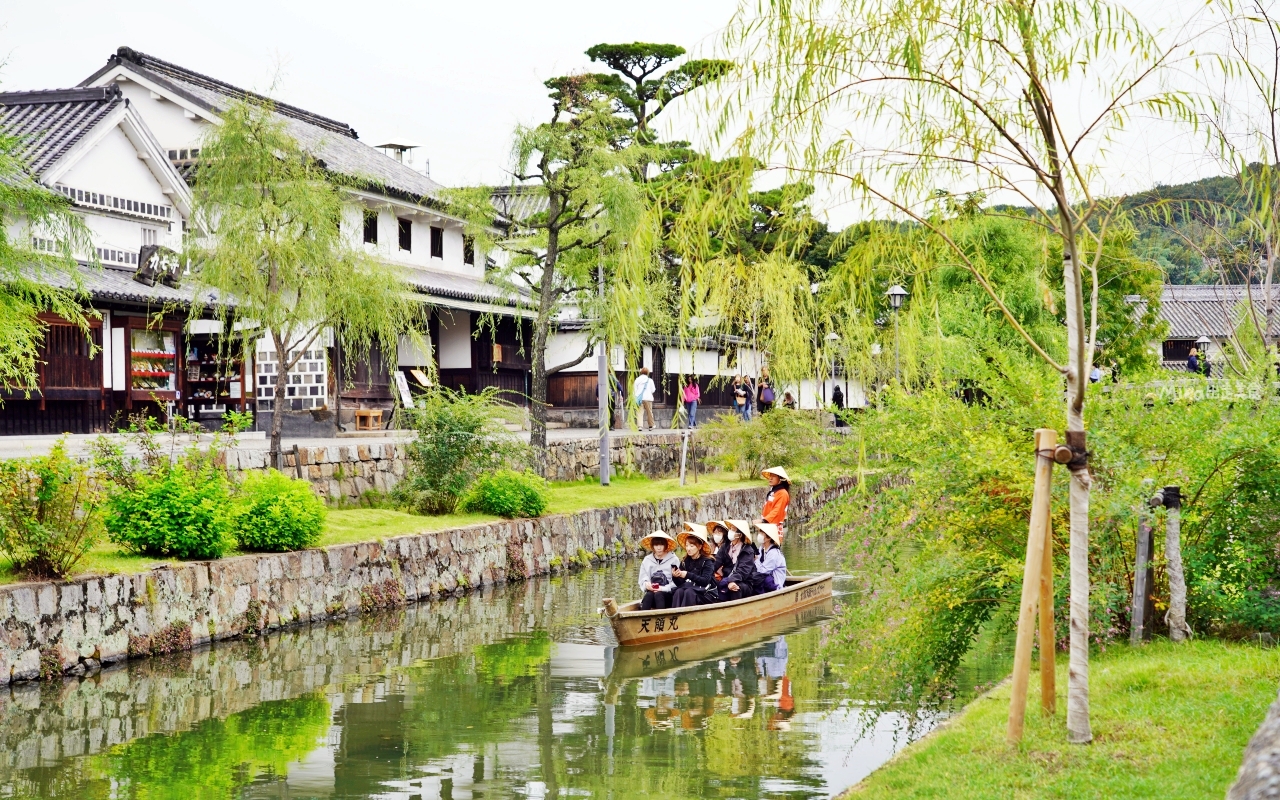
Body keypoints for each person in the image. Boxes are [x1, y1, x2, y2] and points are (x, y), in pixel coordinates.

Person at [672, 524, 719, 607]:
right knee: (679, 591)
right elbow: (680, 584)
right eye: (686, 545)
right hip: (691, 589)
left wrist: (687, 574)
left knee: (689, 592)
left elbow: (705, 581)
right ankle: (675, 616)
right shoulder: (685, 561)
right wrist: (675, 576)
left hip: (707, 593)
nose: (688, 548)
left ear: (700, 546)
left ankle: (686, 617)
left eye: (691, 546)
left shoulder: (708, 562)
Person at [717, 519, 758, 601]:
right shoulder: (725, 547)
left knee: (735, 588)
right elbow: (716, 562)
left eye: (733, 530)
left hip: (745, 582)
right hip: (727, 579)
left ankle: (736, 612)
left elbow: (743, 571)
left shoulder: (748, 550)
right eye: (730, 529)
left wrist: (732, 581)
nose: (730, 532)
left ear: (739, 535)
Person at [637, 530, 679, 610]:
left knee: (658, 595)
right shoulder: (647, 560)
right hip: (651, 593)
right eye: (656, 545)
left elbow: (676, 583)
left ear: (665, 545)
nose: (659, 548)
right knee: (649, 595)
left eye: (661, 544)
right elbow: (643, 578)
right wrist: (647, 585)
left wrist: (661, 588)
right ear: (653, 546)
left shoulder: (674, 560)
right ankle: (643, 619)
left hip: (668, 595)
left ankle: (661, 619)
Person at [751, 522, 787, 594]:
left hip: (775, 585)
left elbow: (763, 571)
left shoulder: (773, 553)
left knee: (757, 578)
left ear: (769, 537)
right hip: (763, 579)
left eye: (762, 533)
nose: (759, 534)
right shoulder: (761, 549)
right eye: (759, 532)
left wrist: (756, 559)